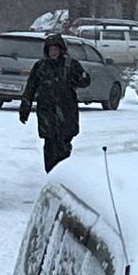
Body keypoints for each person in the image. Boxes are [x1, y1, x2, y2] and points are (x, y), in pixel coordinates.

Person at [19, 33, 91, 172]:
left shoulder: (70, 65)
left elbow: (85, 81)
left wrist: (81, 76)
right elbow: (30, 87)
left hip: (67, 113)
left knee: (64, 146)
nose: (53, 52)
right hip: (47, 114)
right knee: (50, 146)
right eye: (50, 49)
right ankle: (51, 174)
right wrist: (25, 106)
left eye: (56, 49)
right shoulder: (40, 67)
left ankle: (63, 174)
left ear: (61, 50)